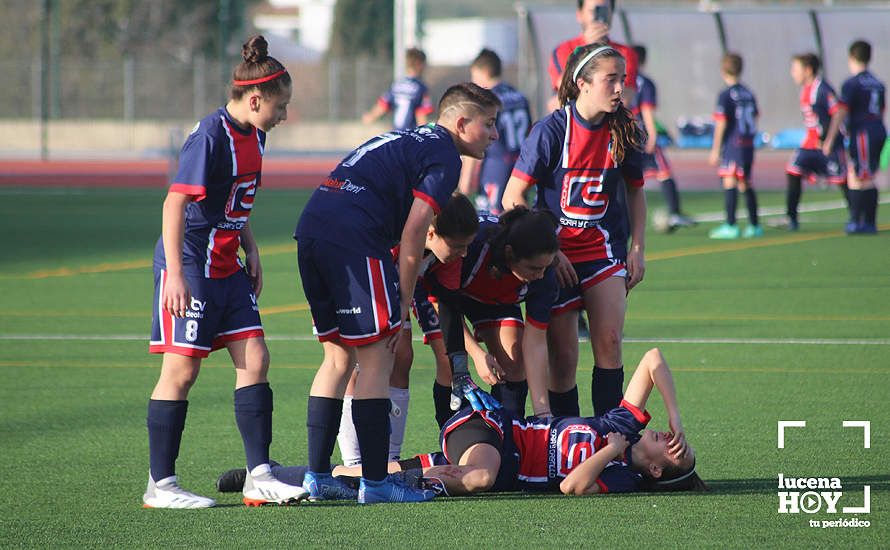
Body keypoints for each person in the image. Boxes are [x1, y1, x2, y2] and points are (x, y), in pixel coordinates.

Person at [294, 82, 501, 503]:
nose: (495, 134)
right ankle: (376, 482)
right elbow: (413, 236)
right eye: (489, 124)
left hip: (312, 227)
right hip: (353, 238)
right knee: (378, 356)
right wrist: (401, 306)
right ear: (462, 123)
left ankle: (317, 476)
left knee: (337, 356)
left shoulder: (409, 137)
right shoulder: (445, 156)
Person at [144, 35, 305, 509]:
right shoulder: (210, 136)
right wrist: (176, 274)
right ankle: (161, 485)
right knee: (182, 369)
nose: (283, 115)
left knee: (255, 358)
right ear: (255, 99)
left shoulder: (254, 134)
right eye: (280, 106)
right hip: (191, 262)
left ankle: (259, 475)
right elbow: (175, 203)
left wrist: (251, 248)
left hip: (227, 263)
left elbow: (237, 198)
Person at [215, 348, 705, 497]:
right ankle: (420, 484)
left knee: (373, 470)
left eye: (673, 447)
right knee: (480, 478)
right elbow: (654, 360)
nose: (667, 437)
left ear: (656, 471)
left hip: (490, 454)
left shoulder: (618, 472)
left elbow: (573, 486)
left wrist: (612, 450)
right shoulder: (624, 422)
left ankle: (270, 474)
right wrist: (677, 416)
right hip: (490, 430)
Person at [502, 43, 647, 419]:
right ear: (582, 83)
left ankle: (609, 437)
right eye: (610, 79)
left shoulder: (625, 129)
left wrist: (638, 248)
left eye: (623, 79)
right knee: (564, 357)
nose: (619, 88)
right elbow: (512, 196)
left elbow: (636, 191)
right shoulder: (551, 131)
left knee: (610, 342)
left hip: (604, 251)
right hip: (557, 258)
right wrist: (550, 252)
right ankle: (567, 442)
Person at [335, 193, 479, 467]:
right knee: (364, 360)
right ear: (431, 233)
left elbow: (447, 303)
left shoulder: (447, 253)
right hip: (360, 274)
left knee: (404, 358)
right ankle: (353, 464)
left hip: (406, 284)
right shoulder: (390, 240)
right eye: (459, 246)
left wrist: (463, 362)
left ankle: (389, 459)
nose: (464, 253)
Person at [426, 207, 561, 421]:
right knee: (450, 366)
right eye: (534, 268)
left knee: (514, 363)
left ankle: (506, 432)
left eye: (546, 267)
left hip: (493, 300)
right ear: (509, 254)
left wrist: (543, 412)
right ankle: (450, 438)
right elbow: (443, 304)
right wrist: (477, 354)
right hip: (444, 295)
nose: (541, 274)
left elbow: (534, 345)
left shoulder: (544, 277)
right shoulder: (471, 247)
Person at [822, 40, 886, 234]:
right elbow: (882, 110)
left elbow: (841, 111)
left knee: (862, 177)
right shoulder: (878, 83)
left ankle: (861, 222)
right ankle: (862, 221)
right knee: (859, 174)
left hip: (863, 132)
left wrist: (830, 138)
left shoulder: (852, 83)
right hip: (877, 129)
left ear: (851, 57)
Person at [458, 49, 532, 214]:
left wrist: (466, 182)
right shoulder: (520, 96)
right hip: (521, 167)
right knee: (518, 218)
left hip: (496, 167)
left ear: (483, 72)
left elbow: (475, 140)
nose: (473, 80)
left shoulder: (486, 100)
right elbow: (529, 132)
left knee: (492, 223)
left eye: (474, 75)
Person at [781, 53, 848, 232]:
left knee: (842, 180)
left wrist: (829, 140)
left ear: (808, 70)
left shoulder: (822, 89)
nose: (792, 73)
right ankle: (791, 218)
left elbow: (838, 112)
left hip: (829, 146)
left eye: (796, 69)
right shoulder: (805, 90)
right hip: (810, 145)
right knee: (793, 171)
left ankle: (857, 216)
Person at [631, 44, 695, 232]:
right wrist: (652, 135)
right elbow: (647, 110)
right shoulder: (645, 82)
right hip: (641, 134)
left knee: (626, 179)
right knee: (664, 172)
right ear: (644, 59)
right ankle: (675, 212)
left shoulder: (622, 80)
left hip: (625, 135)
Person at [547, 0, 638, 112]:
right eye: (592, 10)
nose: (598, 15)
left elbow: (625, 98)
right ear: (580, 15)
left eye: (604, 10)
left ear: (611, 13)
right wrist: (587, 49)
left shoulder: (625, 53)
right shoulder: (563, 50)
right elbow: (565, 93)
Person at [708, 53, 762, 240]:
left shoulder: (725, 95)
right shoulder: (748, 92)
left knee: (730, 181)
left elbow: (721, 123)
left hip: (734, 144)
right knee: (745, 182)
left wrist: (715, 149)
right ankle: (755, 225)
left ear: (723, 71)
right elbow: (755, 117)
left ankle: (731, 225)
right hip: (747, 144)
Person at [362, 48, 434, 131]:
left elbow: (383, 104)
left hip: (396, 133)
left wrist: (371, 116)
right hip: (411, 135)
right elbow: (421, 113)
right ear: (420, 64)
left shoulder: (397, 84)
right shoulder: (421, 87)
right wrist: (424, 133)